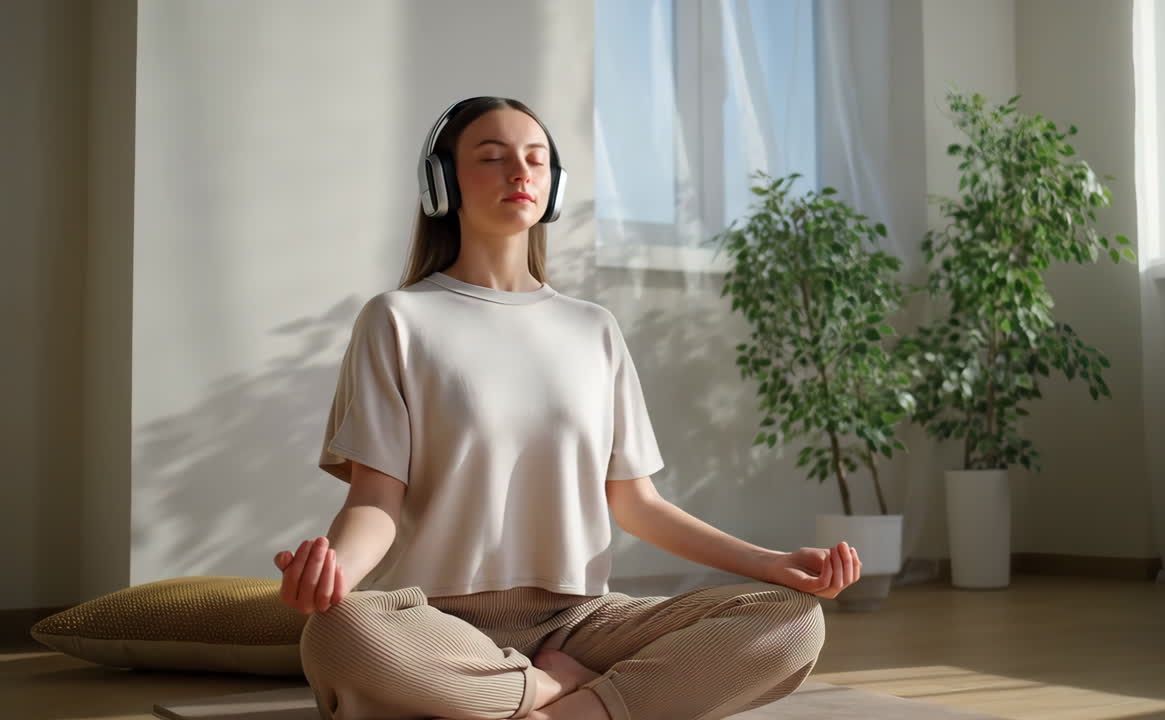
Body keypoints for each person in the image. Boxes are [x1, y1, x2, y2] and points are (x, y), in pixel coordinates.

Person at [273, 96, 860, 720]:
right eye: (492, 158)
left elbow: (638, 503)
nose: (519, 173)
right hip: (433, 623)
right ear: (441, 183)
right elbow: (375, 500)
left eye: (536, 160)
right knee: (339, 634)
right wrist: (333, 575)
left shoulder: (594, 329)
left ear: (553, 187)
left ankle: (553, 708)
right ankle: (554, 690)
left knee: (792, 623)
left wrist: (772, 563)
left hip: (578, 620)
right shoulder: (397, 319)